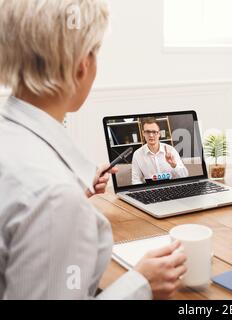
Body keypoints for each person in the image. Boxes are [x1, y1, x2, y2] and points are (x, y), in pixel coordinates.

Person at [0, 0, 186, 299]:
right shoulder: (54, 199)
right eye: (95, 51)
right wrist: (141, 285)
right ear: (81, 65)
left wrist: (72, 194)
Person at [131, 118, 188, 185]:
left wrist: (174, 165)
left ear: (159, 133)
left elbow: (185, 176)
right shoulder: (137, 154)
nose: (151, 135)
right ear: (143, 133)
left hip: (172, 187)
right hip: (150, 190)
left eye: (154, 132)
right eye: (147, 132)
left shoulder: (171, 150)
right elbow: (135, 180)